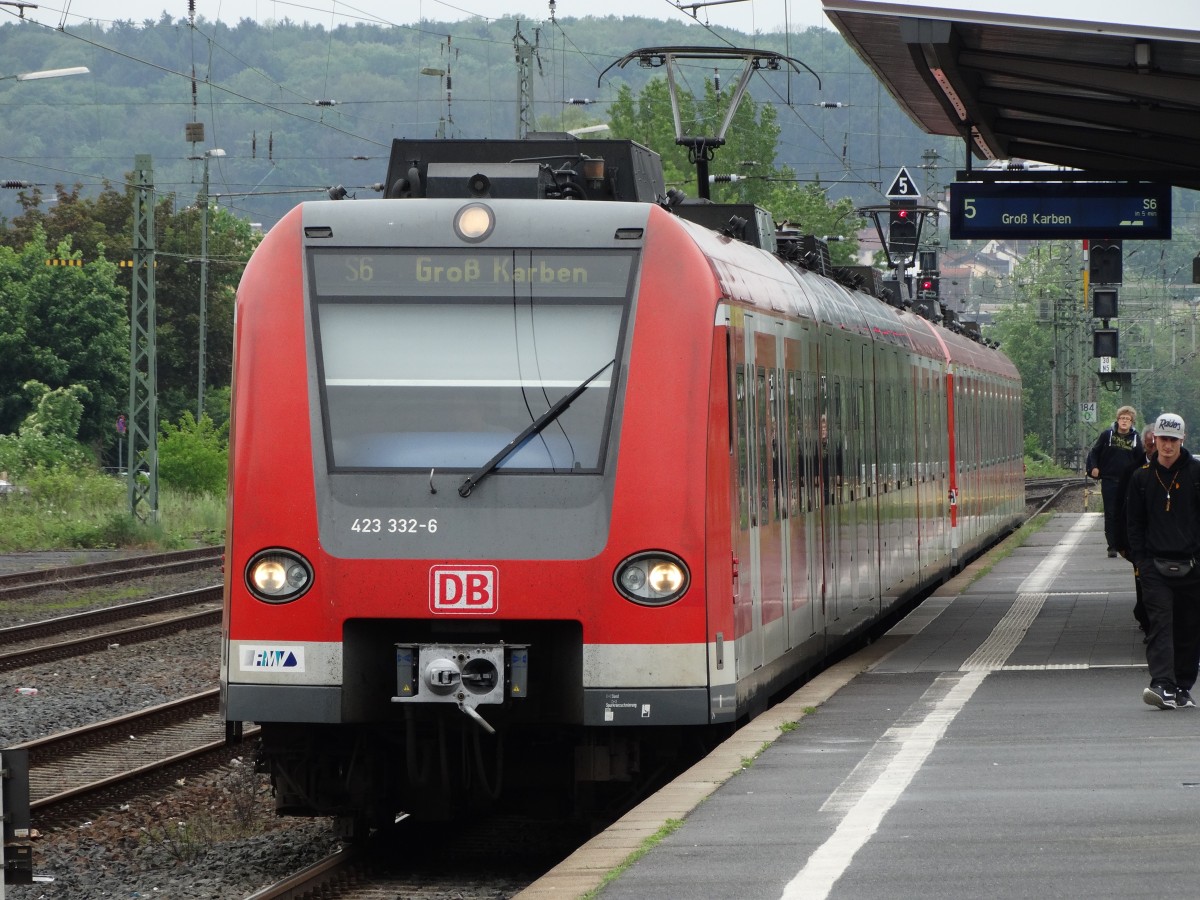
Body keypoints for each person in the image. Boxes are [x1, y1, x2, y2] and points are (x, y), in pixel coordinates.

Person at [1126, 413, 1200, 709]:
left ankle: (1182, 687)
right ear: (1153, 440)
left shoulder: (1196, 474)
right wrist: (1141, 562)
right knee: (1159, 625)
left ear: (1182, 441)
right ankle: (1162, 684)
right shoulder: (1141, 478)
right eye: (1162, 439)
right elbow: (1134, 523)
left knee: (1189, 628)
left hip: (1193, 564)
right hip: (1154, 566)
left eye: (1173, 440)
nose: (1167, 446)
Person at [1113, 425, 1155, 635]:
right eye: (1150, 445)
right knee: (1143, 583)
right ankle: (1147, 621)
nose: (1154, 449)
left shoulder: (1185, 472)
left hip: (1169, 542)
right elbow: (1120, 508)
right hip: (1140, 543)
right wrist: (1118, 542)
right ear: (1145, 446)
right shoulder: (1132, 472)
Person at [1087, 406, 1141, 557]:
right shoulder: (1107, 435)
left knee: (1126, 513)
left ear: (1132, 422)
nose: (1124, 421)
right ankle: (1112, 546)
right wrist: (1094, 467)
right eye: (1122, 418)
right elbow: (1094, 452)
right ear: (1117, 420)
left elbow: (1141, 459)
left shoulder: (1136, 438)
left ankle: (1125, 543)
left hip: (1128, 483)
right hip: (1110, 480)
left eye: (1127, 419)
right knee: (1111, 513)